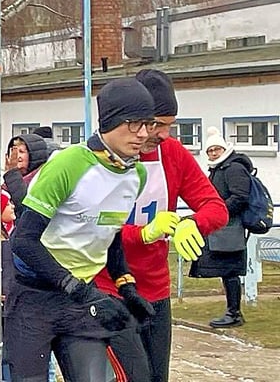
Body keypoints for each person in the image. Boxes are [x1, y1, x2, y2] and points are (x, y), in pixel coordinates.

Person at [6, 78, 157, 382]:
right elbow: (23, 241)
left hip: (78, 302)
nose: (142, 134)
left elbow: (109, 234)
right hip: (34, 296)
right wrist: (77, 286)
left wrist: (127, 287)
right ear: (110, 123)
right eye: (132, 124)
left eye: (148, 124)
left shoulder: (136, 174)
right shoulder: (70, 163)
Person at [95, 69, 227, 382]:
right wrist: (144, 233)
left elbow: (215, 207)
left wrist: (190, 224)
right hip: (106, 288)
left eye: (170, 125)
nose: (163, 134)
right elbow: (92, 231)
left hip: (155, 291)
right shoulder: (100, 159)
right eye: (157, 125)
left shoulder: (173, 154)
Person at [190, 126, 251, 328]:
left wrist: (218, 212)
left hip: (230, 227)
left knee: (230, 270)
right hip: (224, 227)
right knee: (227, 270)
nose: (213, 153)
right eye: (210, 150)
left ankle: (234, 313)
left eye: (217, 149)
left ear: (224, 149)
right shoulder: (220, 168)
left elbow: (240, 197)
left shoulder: (233, 168)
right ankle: (232, 311)